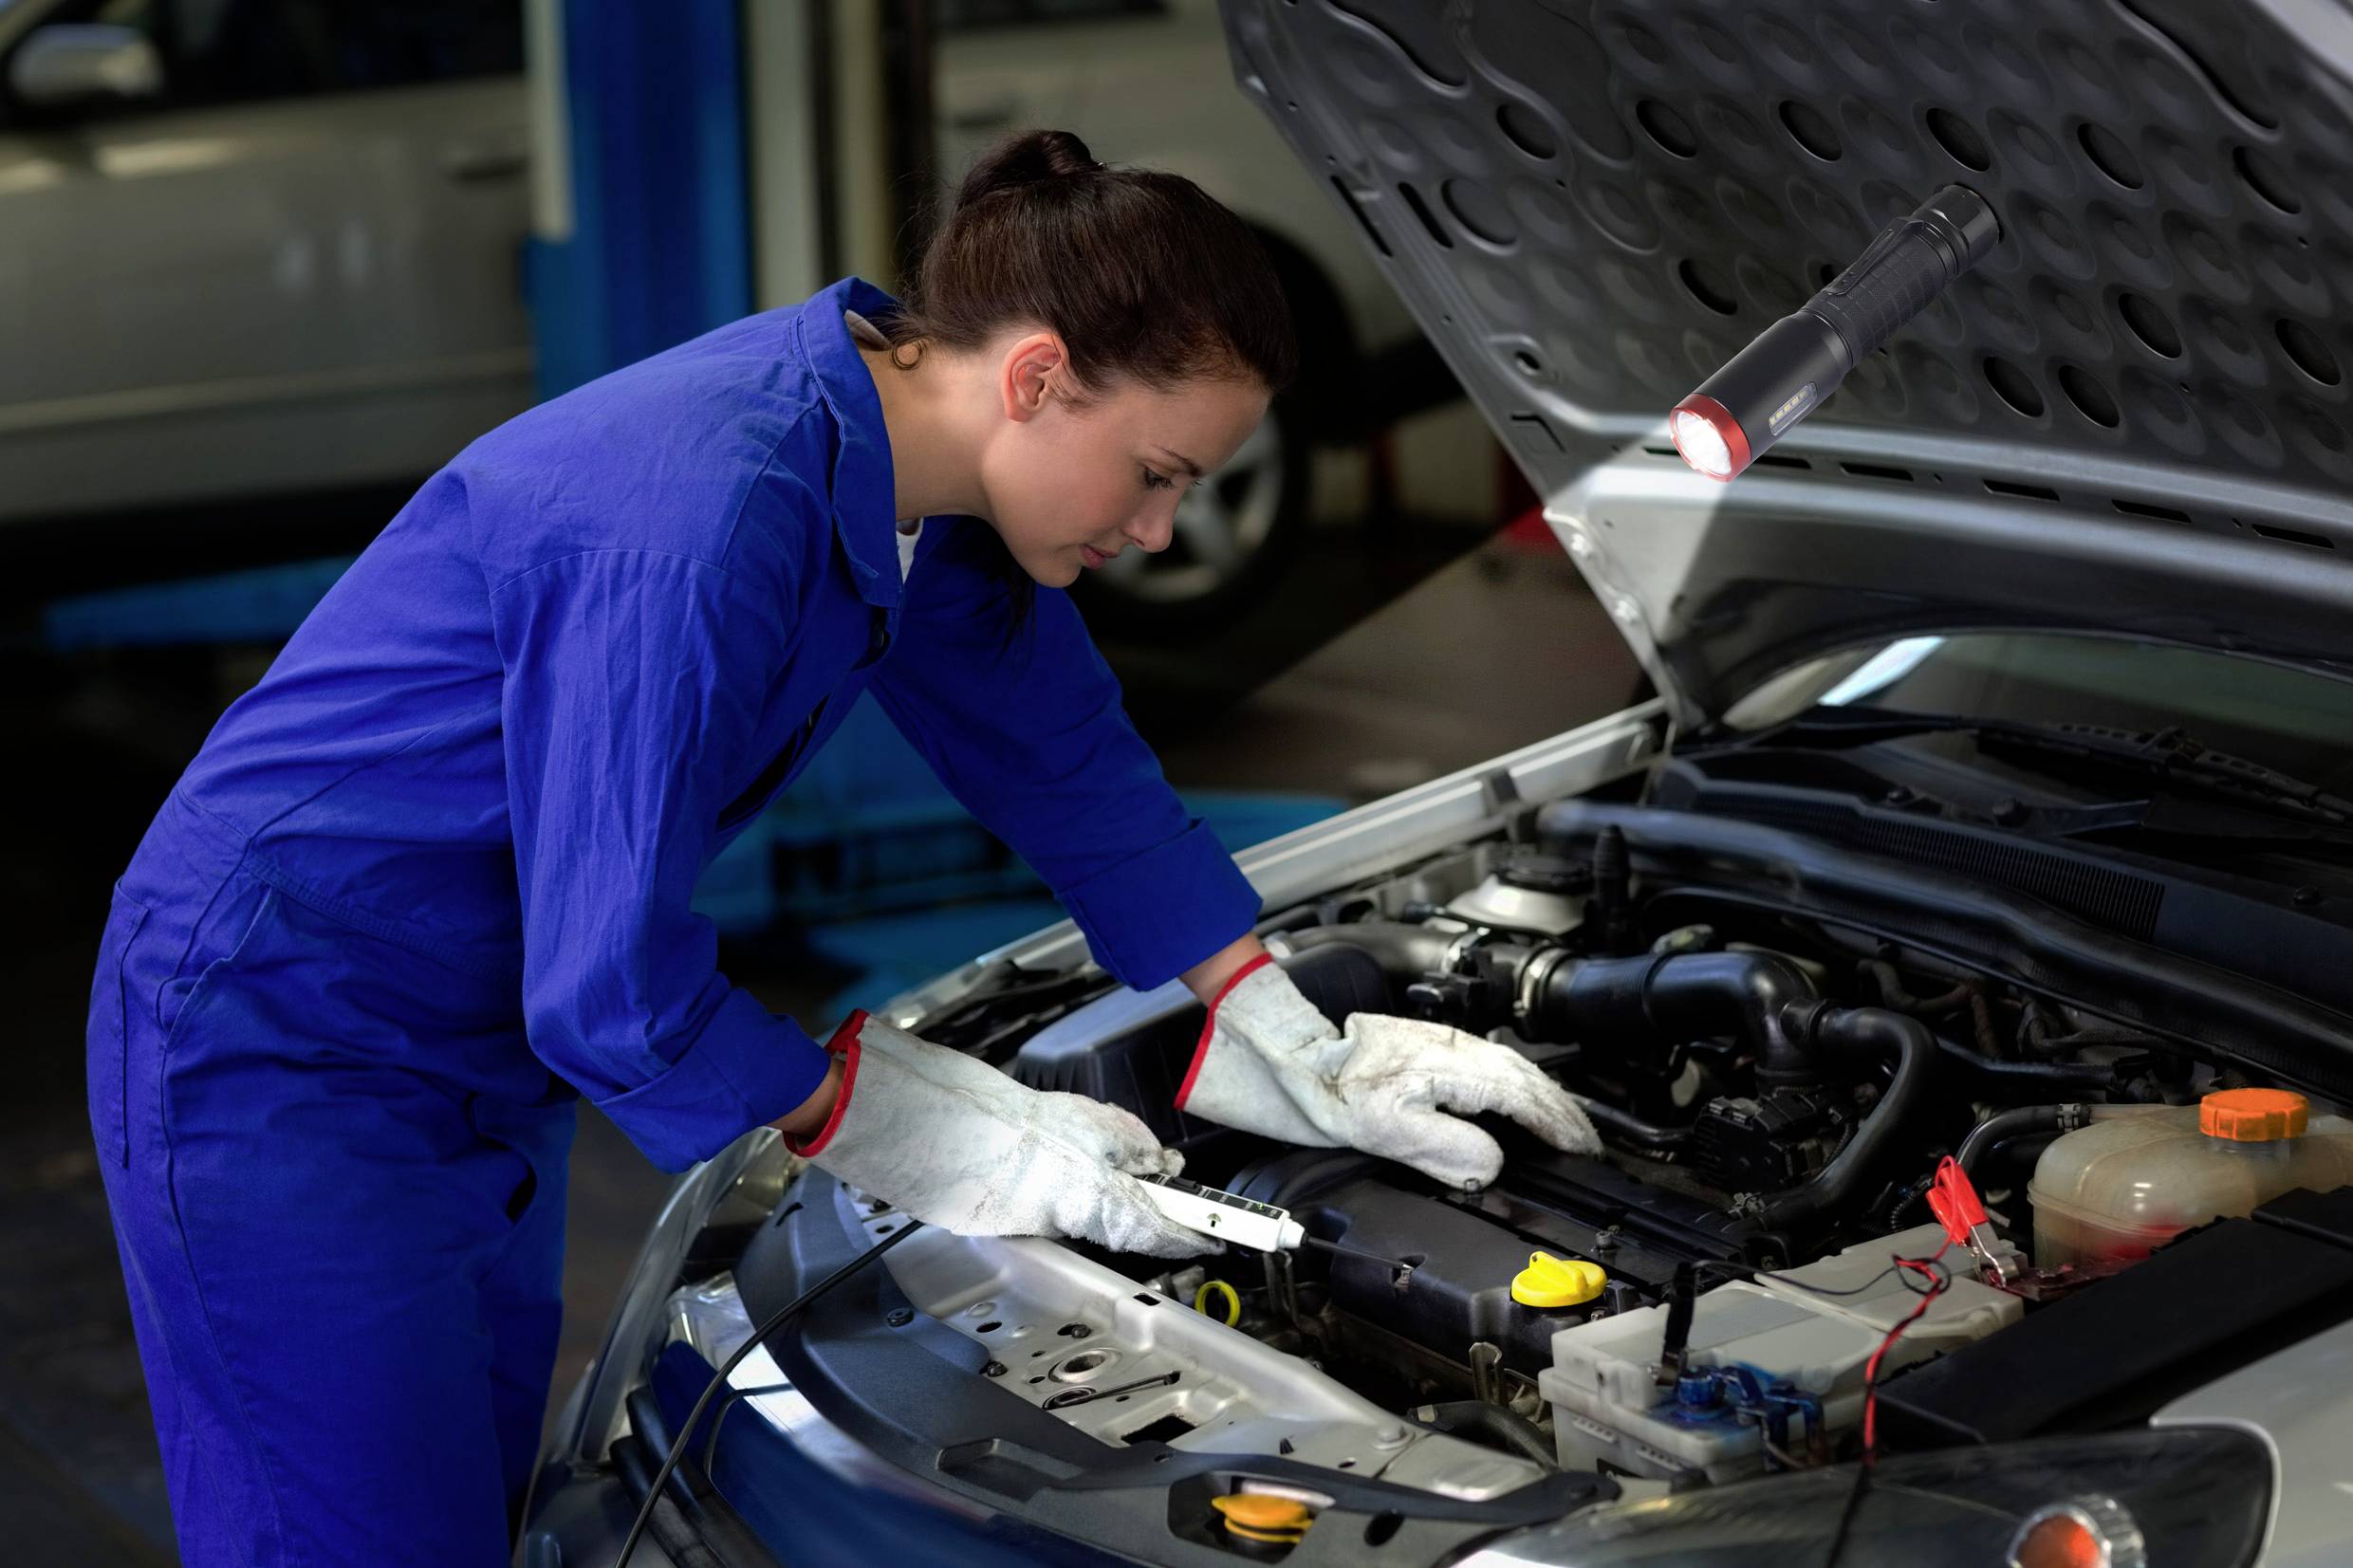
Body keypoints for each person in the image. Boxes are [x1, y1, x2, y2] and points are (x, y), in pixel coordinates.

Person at [84, 128, 1598, 1567]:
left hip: (469, 1045)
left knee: (463, 1512)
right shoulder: (711, 509)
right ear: (1039, 377)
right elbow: (608, 988)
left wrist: (1266, 1012)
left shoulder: (902, 481)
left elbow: (1064, 752)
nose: (1158, 531)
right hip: (280, 1033)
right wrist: (904, 1124)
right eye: (1156, 474)